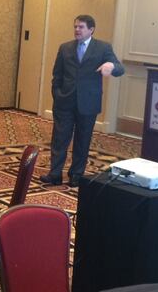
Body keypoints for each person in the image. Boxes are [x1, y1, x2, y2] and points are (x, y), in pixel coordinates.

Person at [40, 15, 125, 187]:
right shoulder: (65, 48)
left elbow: (120, 68)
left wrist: (112, 67)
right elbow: (57, 74)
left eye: (81, 27)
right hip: (64, 102)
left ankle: (76, 175)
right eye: (75, 27)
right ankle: (55, 174)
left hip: (88, 103)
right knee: (59, 139)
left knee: (82, 140)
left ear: (91, 29)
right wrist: (57, 94)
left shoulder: (102, 48)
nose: (77, 30)